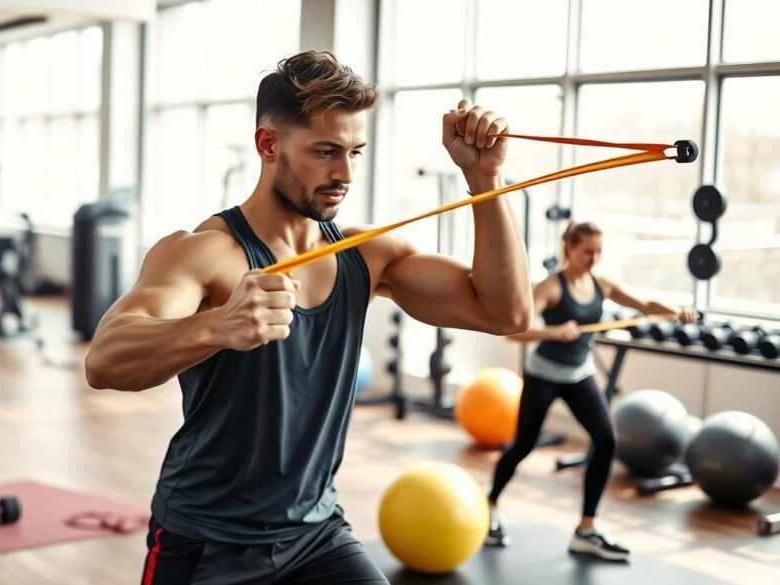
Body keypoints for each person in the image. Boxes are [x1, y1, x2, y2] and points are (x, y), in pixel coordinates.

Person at [85, 50, 532, 584]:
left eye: (355, 152)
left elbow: (505, 312)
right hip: (207, 540)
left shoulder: (367, 255)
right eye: (325, 151)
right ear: (268, 145)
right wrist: (216, 325)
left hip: (316, 533)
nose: (343, 173)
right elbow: (105, 360)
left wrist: (486, 183)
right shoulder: (204, 253)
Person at [484, 220, 697, 562]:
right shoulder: (552, 287)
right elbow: (512, 331)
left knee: (606, 440)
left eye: (598, 252)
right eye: (587, 251)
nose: (594, 258)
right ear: (569, 248)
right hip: (545, 375)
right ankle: (490, 505)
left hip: (578, 375)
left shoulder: (601, 283)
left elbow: (644, 303)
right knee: (524, 445)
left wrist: (676, 313)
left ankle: (586, 530)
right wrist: (552, 333)